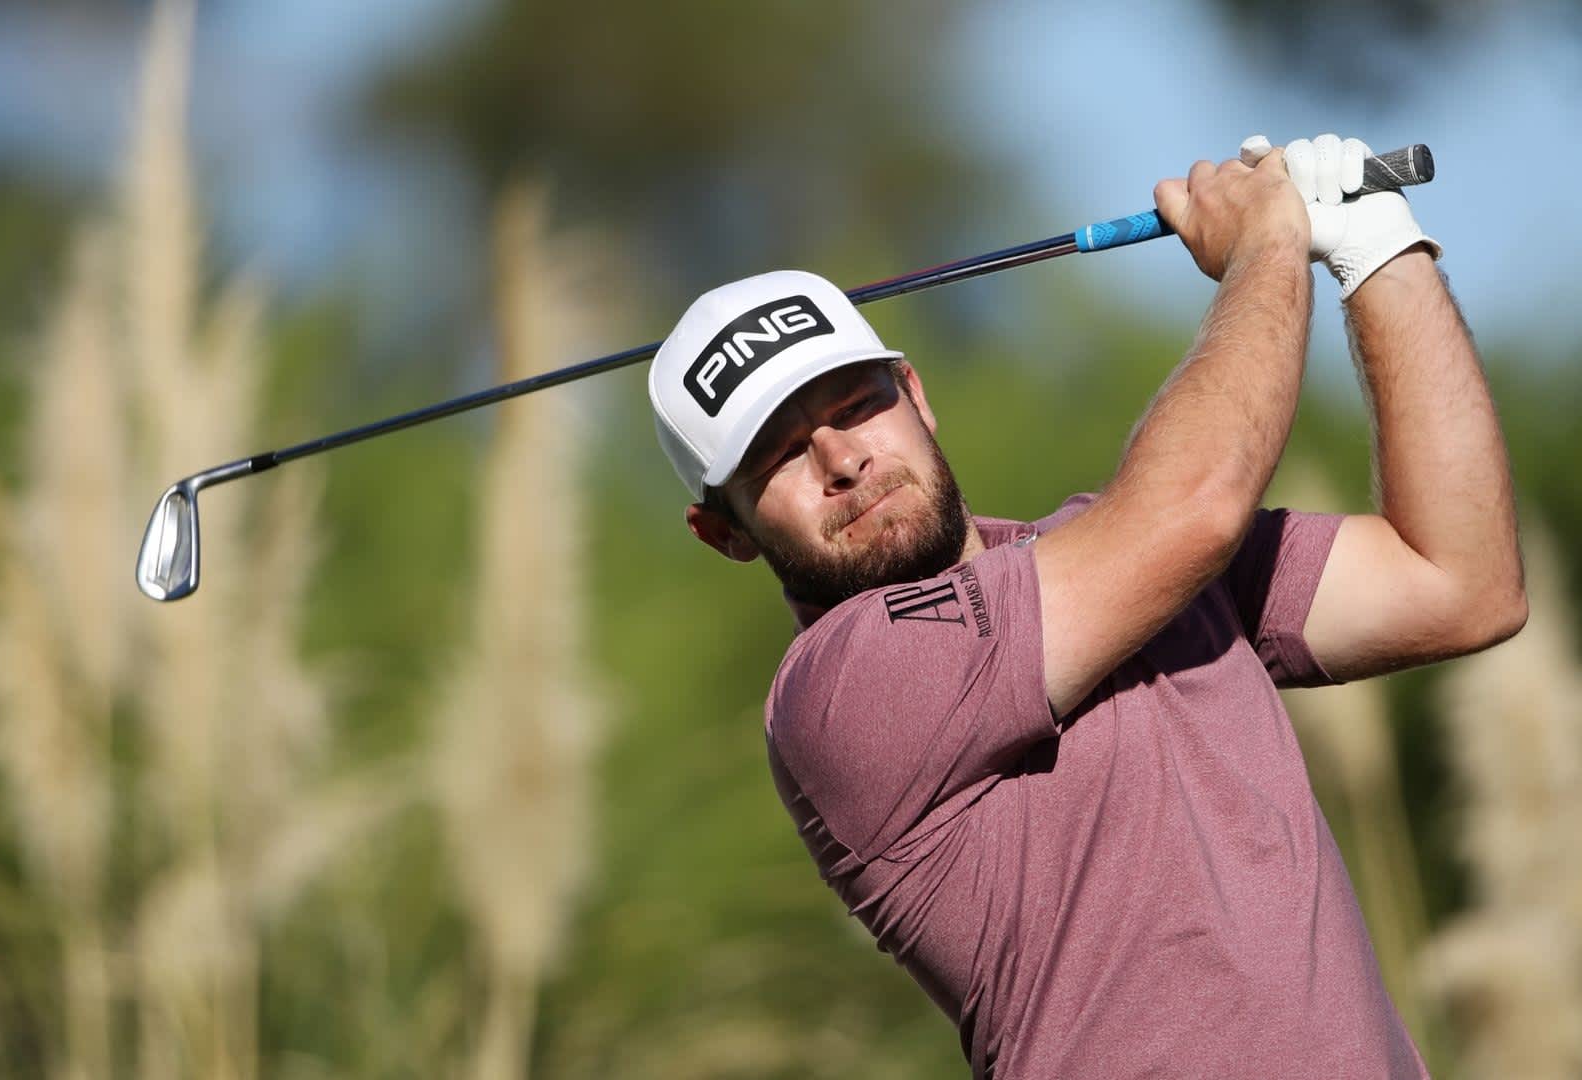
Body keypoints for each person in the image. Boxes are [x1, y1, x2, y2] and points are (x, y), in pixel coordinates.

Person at [647, 132, 1524, 1078]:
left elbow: (1461, 583)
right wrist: (1270, 242)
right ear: (724, 532)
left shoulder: (1121, 555)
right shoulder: (839, 693)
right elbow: (1191, 508)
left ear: (914, 393)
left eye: (856, 404)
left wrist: (1377, 251)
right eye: (780, 454)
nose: (844, 459)